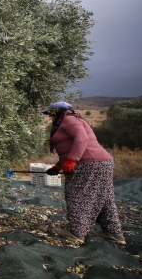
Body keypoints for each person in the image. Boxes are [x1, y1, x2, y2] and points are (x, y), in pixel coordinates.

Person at [42, 101, 125, 244]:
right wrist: (58, 167)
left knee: (78, 195)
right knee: (105, 197)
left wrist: (71, 161)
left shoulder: (69, 120)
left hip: (88, 163)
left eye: (51, 113)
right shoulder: (72, 120)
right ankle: (114, 233)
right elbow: (68, 148)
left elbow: (82, 139)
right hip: (101, 162)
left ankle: (76, 233)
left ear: (59, 111)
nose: (50, 116)